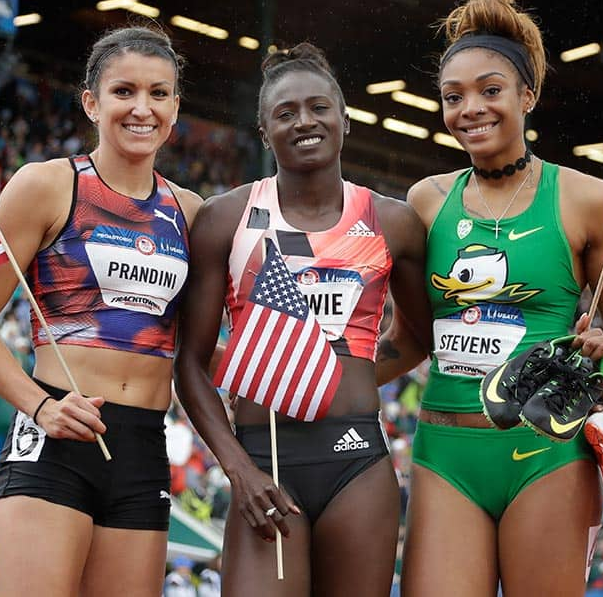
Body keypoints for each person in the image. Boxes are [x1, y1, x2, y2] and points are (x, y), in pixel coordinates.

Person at [387, 0, 603, 596]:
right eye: (453, 97)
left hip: (547, 452)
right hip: (444, 451)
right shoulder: (426, 202)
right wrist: (319, 387)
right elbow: (412, 339)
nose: (470, 108)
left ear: (528, 95)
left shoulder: (588, 201)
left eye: (490, 90)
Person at [0, 23, 201, 597]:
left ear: (176, 106)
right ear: (91, 102)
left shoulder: (191, 211)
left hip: (141, 447)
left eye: (159, 94)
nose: (142, 108)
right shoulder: (47, 186)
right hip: (55, 439)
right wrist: (41, 407)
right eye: (124, 91)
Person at [174, 43, 430, 596]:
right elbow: (190, 364)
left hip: (355, 463)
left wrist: (328, 378)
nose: (304, 121)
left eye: (319, 107)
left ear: (345, 118)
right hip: (261, 461)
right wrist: (238, 470)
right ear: (264, 132)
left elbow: (418, 339)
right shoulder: (225, 219)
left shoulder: (394, 223)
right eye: (285, 113)